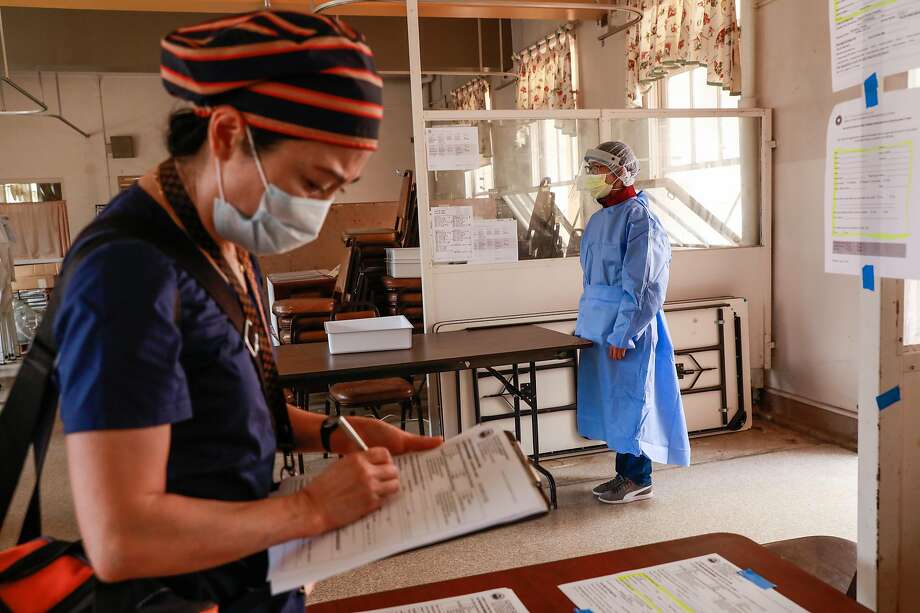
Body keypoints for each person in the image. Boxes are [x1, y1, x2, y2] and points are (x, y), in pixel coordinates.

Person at [53, 10, 441, 612]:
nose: (320, 209)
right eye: (314, 183)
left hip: (250, 576)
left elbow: (227, 407)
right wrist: (308, 510)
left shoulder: (224, 243)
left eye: (341, 187)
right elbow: (121, 538)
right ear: (229, 134)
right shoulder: (128, 274)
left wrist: (342, 434)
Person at [574, 141, 690, 505]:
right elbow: (592, 279)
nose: (591, 177)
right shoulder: (597, 220)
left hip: (627, 329)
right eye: (589, 170)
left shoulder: (641, 220)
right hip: (597, 326)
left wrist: (625, 331)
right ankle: (623, 472)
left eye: (598, 170)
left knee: (631, 400)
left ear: (620, 172)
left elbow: (643, 285)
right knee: (612, 403)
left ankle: (639, 477)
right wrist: (588, 323)